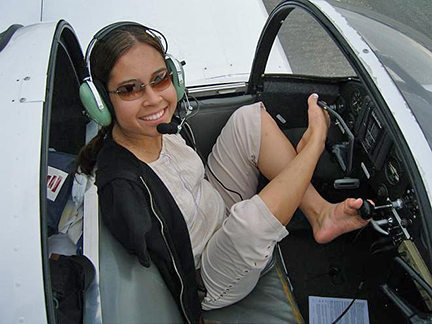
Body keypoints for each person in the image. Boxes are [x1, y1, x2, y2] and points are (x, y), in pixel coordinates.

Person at [76, 22, 368, 323]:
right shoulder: (121, 184)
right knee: (250, 224)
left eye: (160, 79)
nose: (153, 99)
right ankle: (310, 154)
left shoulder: (162, 130)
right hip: (210, 274)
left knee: (248, 120)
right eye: (129, 89)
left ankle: (320, 214)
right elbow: (156, 266)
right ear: (101, 103)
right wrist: (314, 145)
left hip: (219, 210)